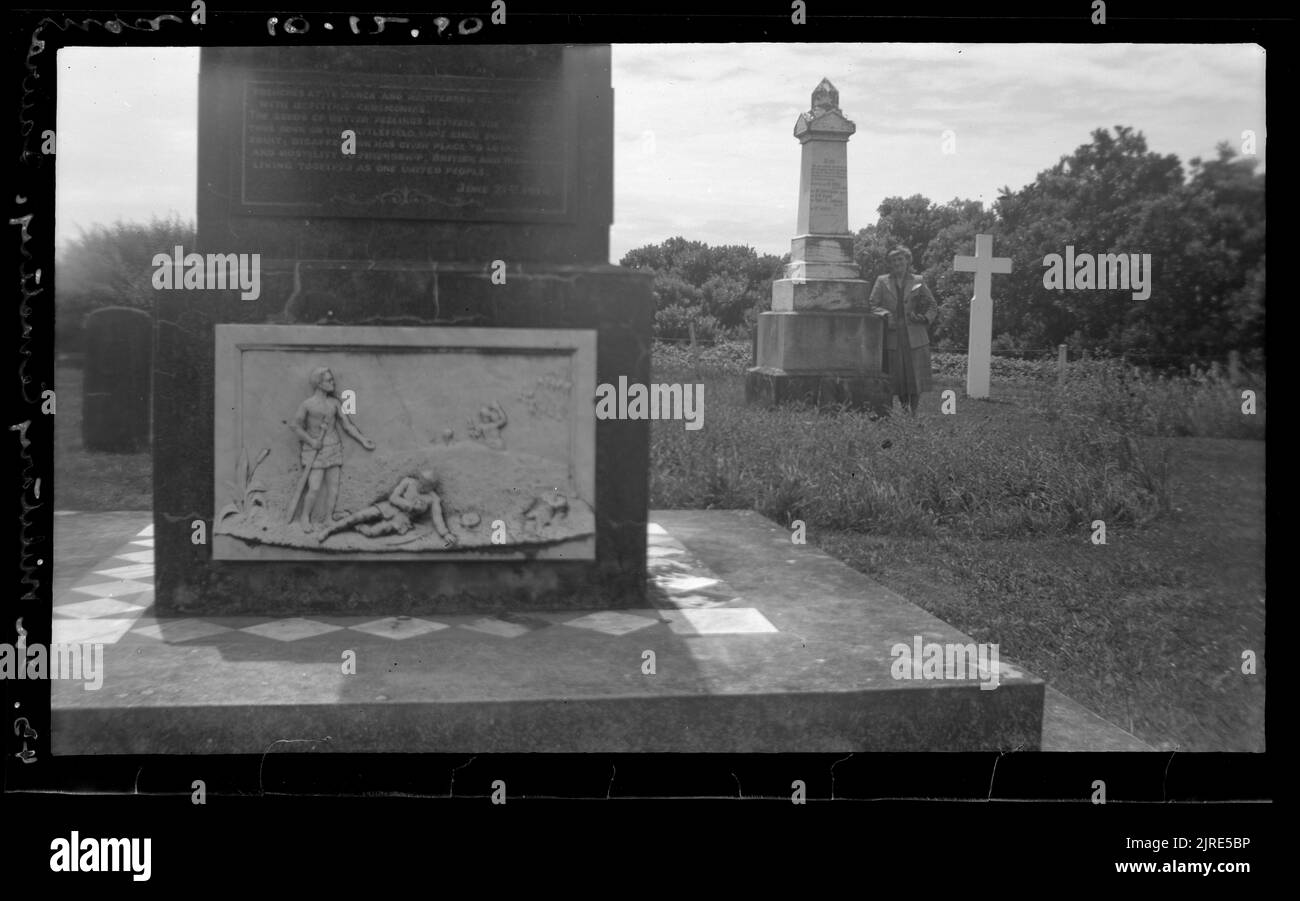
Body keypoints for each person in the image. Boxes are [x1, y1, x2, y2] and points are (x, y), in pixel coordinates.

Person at [290, 366, 376, 530]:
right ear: (319, 383)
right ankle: (305, 518)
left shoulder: (334, 403)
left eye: (332, 379)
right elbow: (295, 426)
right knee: (314, 487)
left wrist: (363, 440)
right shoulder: (307, 404)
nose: (333, 383)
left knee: (334, 487)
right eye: (329, 380)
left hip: (333, 448)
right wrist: (311, 440)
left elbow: (347, 425)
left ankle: (328, 518)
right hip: (314, 450)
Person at [869, 246, 938, 413]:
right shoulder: (882, 281)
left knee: (915, 375)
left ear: (907, 260)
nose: (897, 263)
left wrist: (925, 318)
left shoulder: (918, 280)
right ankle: (904, 409)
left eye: (900, 259)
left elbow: (932, 305)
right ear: (890, 264)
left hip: (915, 335)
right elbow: (872, 305)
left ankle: (912, 413)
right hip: (892, 335)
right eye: (893, 260)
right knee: (898, 375)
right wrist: (885, 314)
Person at [318, 470, 457, 547]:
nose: (421, 485)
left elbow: (438, 517)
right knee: (359, 516)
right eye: (421, 481)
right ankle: (329, 530)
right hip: (388, 507)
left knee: (372, 532)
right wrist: (407, 504)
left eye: (426, 484)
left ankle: (354, 524)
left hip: (402, 519)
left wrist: (445, 534)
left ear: (431, 486)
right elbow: (393, 497)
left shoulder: (433, 498)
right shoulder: (408, 482)